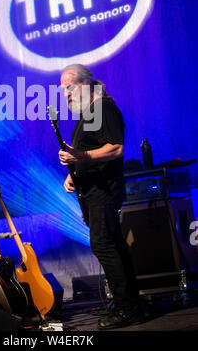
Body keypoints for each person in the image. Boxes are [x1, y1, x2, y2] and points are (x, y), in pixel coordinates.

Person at [58, 64, 142, 330]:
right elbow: (90, 150)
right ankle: (130, 303)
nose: (66, 94)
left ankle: (127, 308)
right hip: (93, 189)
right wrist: (74, 170)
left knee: (104, 245)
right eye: (63, 90)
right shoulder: (88, 114)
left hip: (103, 192)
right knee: (112, 243)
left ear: (86, 84)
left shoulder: (102, 109)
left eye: (70, 88)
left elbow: (115, 148)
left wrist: (80, 157)